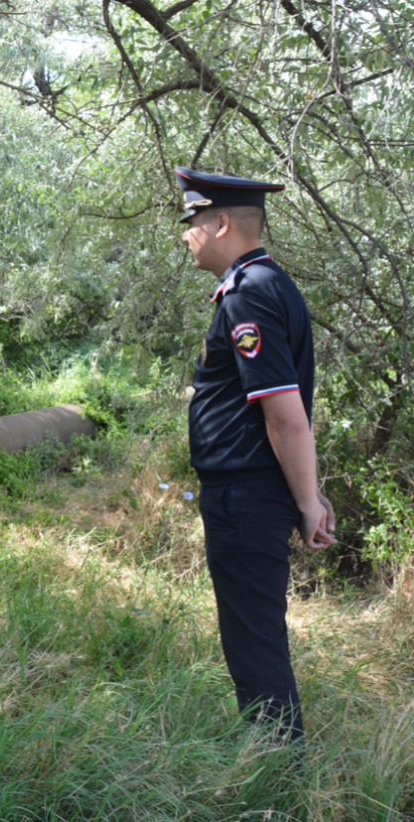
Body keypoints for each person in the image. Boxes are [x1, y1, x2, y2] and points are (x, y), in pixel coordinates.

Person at [177, 166, 336, 743]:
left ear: (221, 223)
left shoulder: (250, 296)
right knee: (254, 632)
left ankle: (278, 777)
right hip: (250, 491)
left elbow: (284, 416)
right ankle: (275, 759)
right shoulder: (268, 285)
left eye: (193, 220)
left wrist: (307, 502)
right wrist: (308, 493)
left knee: (253, 639)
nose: (186, 232)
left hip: (245, 495)